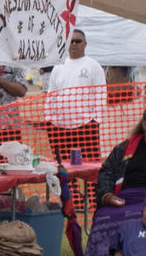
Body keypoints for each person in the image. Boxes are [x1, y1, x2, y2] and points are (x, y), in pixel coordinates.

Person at [78, 109, 146, 256]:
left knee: (136, 214)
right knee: (105, 214)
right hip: (125, 198)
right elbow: (106, 172)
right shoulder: (124, 148)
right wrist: (108, 196)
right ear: (144, 125)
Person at [44, 29, 106, 161]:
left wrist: (95, 120)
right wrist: (49, 118)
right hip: (59, 126)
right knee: (64, 166)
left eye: (78, 41)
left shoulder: (93, 66)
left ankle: (92, 183)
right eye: (71, 41)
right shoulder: (58, 67)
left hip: (86, 125)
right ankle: (70, 183)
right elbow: (51, 95)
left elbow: (100, 94)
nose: (74, 44)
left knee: (90, 165)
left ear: (85, 44)